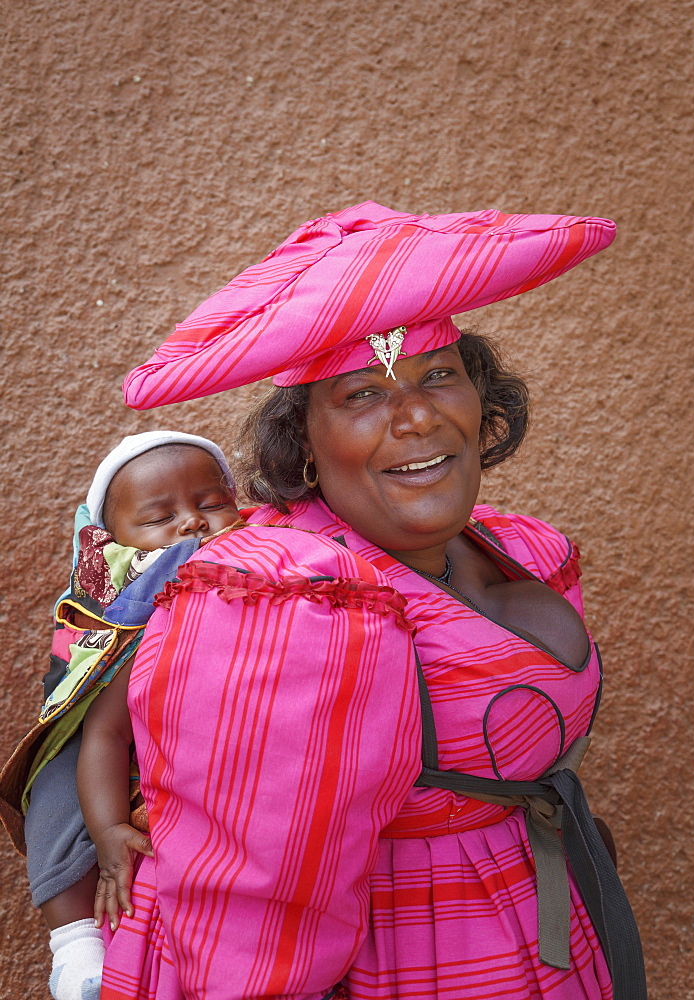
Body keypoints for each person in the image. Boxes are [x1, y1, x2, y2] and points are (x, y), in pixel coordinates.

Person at [99, 202, 646, 999]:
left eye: (437, 377)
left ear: (481, 401)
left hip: (542, 938)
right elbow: (250, 918)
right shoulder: (292, 599)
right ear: (305, 445)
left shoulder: (518, 547)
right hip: (402, 963)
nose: (415, 415)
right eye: (360, 395)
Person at [22, 431, 239, 1000]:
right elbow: (106, 730)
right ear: (112, 542)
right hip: (110, 748)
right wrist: (109, 830)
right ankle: (74, 947)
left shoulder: (265, 570)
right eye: (159, 516)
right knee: (54, 794)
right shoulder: (137, 607)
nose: (192, 523)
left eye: (212, 503)